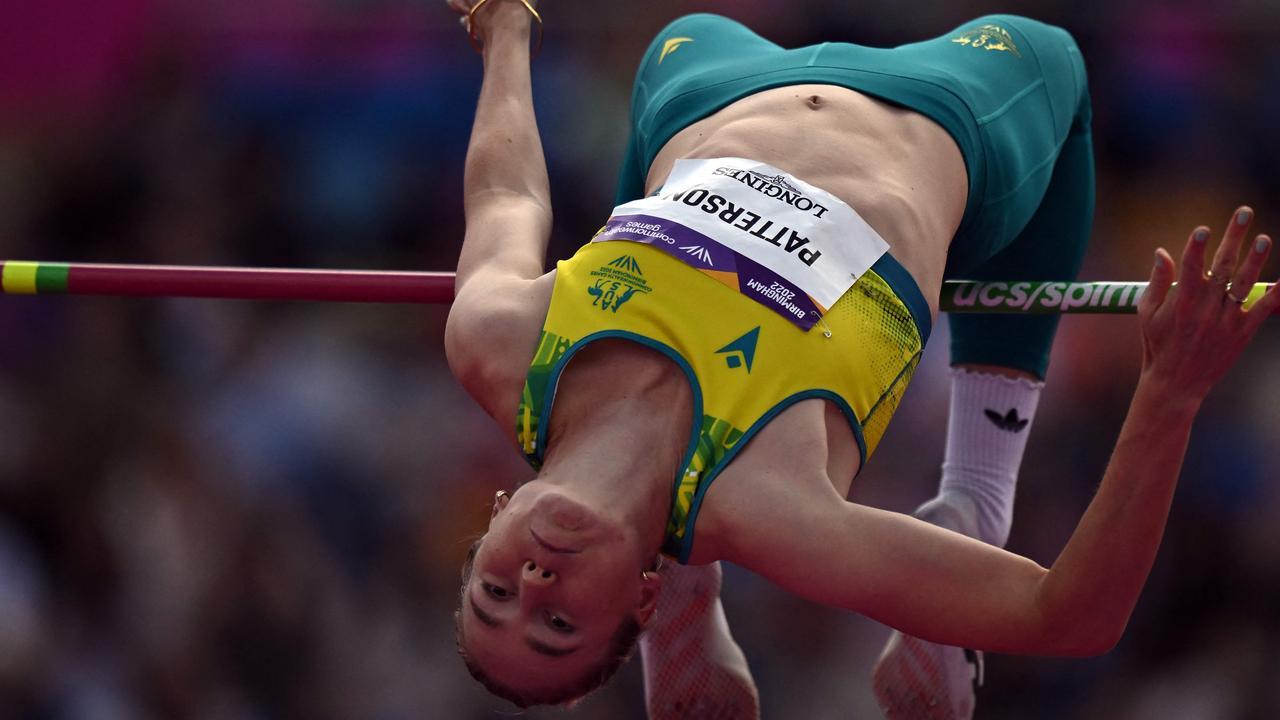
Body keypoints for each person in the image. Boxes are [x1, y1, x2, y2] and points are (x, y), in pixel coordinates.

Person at [441, 0, 1280, 713]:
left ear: (497, 516)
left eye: (498, 592)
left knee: (677, 34)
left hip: (702, 80)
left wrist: (508, 28)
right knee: (1056, 60)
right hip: (942, 113)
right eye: (558, 626)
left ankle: (692, 596)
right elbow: (1069, 616)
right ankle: (974, 502)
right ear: (636, 596)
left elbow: (506, 194)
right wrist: (1170, 394)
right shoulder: (768, 502)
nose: (537, 585)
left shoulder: (502, 346)